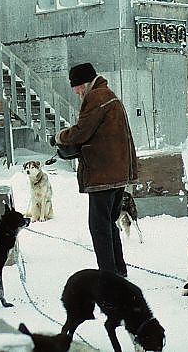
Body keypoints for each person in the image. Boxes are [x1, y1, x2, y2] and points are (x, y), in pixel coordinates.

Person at [52, 63, 138, 277]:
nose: (78, 93)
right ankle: (118, 269)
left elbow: (81, 132)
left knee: (99, 227)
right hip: (117, 172)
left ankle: (108, 275)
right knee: (109, 223)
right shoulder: (108, 95)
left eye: (78, 87)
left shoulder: (96, 97)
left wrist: (59, 137)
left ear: (86, 83)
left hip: (103, 174)